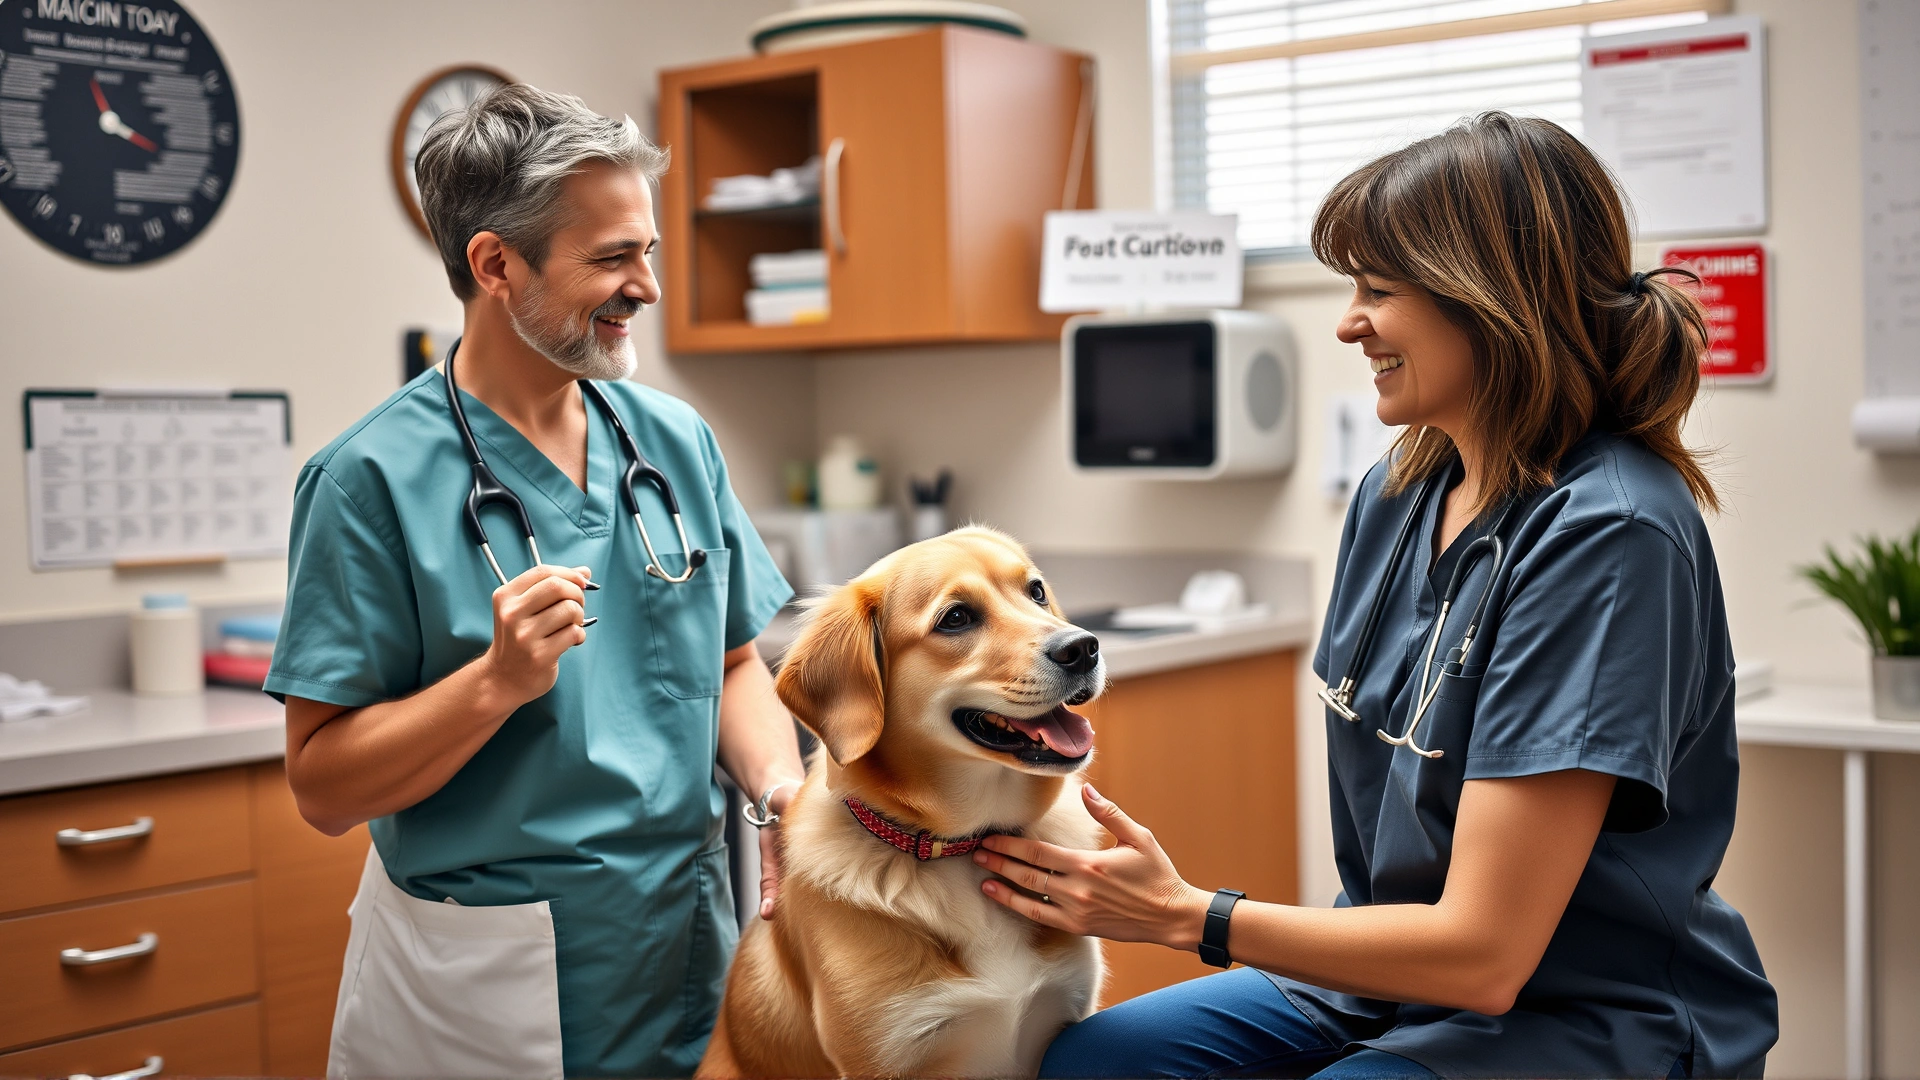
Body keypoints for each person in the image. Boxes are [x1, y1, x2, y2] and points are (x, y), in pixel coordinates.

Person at [971, 112, 1779, 1079]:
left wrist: (1190, 916)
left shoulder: (1609, 535)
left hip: (1586, 1012)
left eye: (1378, 291)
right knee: (1096, 1065)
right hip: (1384, 978)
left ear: (1489, 301)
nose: (1349, 323)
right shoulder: (1397, 494)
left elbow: (1486, 954)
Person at [264, 84, 803, 1079]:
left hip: (683, 939)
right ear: (495, 265)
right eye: (611, 258)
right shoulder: (368, 481)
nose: (645, 285)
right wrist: (494, 684)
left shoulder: (671, 439)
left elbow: (731, 664)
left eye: (646, 252)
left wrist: (782, 795)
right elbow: (323, 786)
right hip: (486, 985)